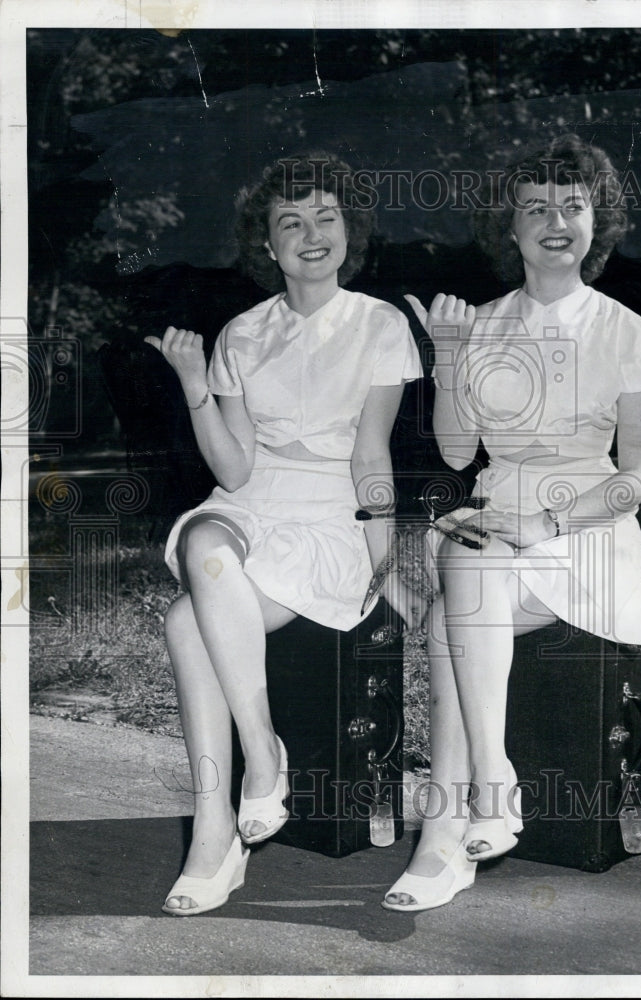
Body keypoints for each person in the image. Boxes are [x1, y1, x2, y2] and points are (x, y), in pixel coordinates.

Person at [383, 134, 641, 912]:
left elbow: (637, 479)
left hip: (584, 530)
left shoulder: (628, 332)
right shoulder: (479, 323)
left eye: (573, 206)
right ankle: (488, 790)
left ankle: (451, 834)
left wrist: (544, 523)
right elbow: (456, 449)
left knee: (455, 611)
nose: (556, 221)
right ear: (509, 229)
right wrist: (448, 357)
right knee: (470, 574)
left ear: (597, 223)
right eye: (535, 208)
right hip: (495, 513)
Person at [145, 153, 424, 916]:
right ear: (266, 244)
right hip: (251, 505)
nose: (310, 235)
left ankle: (215, 833)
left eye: (325, 219)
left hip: (329, 515)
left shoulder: (381, 325)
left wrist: (385, 561)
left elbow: (371, 455)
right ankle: (260, 755)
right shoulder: (242, 333)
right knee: (205, 540)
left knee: (183, 620)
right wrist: (198, 390)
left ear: (348, 233)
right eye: (290, 223)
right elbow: (233, 472)